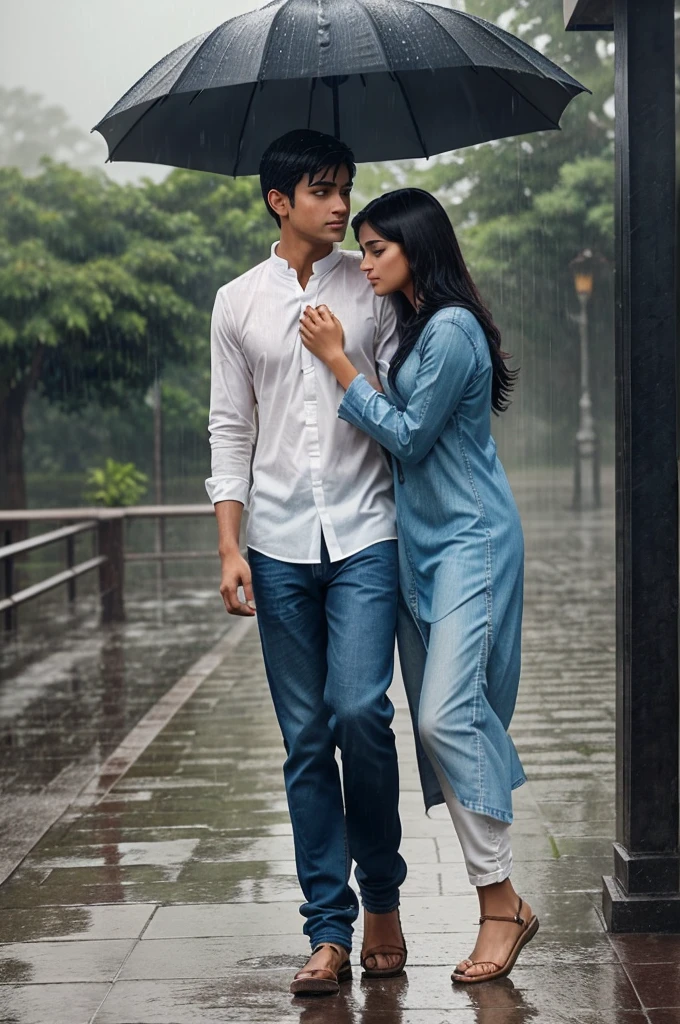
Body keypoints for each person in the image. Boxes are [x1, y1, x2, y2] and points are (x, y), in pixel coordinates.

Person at [299, 187, 539, 985]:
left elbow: (406, 433)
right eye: (360, 248)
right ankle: (501, 901)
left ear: (416, 248)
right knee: (446, 724)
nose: (363, 262)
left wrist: (338, 364)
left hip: (470, 538)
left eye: (377, 249)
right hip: (418, 548)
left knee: (444, 717)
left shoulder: (453, 330)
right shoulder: (411, 327)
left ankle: (501, 902)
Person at [205, 130, 408, 997]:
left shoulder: (373, 291)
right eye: (323, 191)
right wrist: (228, 545)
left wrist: (343, 355)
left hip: (366, 533)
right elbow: (230, 428)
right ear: (278, 201)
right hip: (278, 546)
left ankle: (384, 898)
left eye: (346, 189)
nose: (341, 206)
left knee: (361, 710)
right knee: (303, 741)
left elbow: (402, 406)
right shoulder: (237, 302)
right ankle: (327, 931)